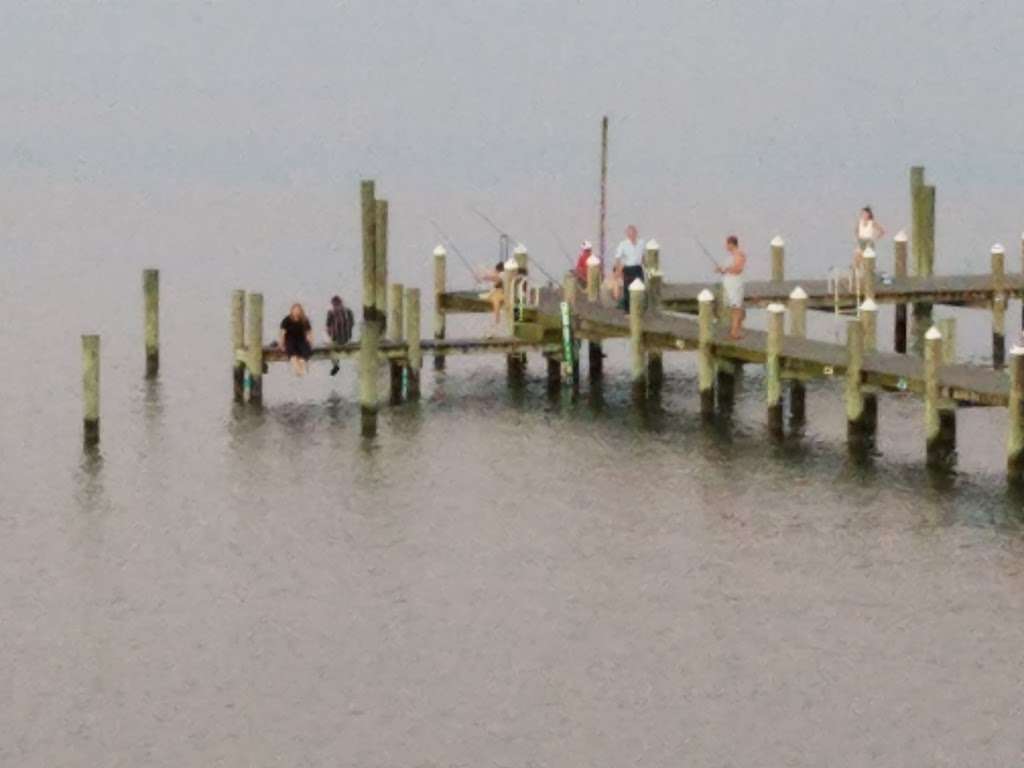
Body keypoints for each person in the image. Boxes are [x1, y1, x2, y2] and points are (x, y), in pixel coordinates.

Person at [716, 235, 746, 340]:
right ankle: (735, 331)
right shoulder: (730, 256)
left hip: (735, 285)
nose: (726, 246)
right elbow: (729, 268)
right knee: (733, 308)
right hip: (729, 285)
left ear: (732, 244)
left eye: (727, 244)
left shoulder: (739, 254)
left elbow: (738, 269)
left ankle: (735, 332)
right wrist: (721, 269)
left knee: (736, 308)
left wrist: (725, 270)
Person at [613, 224, 645, 311]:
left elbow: (642, 256)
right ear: (627, 234)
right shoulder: (623, 244)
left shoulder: (641, 243)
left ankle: (639, 308)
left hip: (638, 268)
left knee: (641, 287)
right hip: (628, 268)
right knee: (627, 289)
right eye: (630, 233)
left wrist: (646, 266)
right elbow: (618, 257)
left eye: (633, 233)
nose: (632, 235)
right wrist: (617, 270)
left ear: (636, 233)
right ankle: (627, 310)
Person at [279, 302, 313, 376]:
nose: (296, 312)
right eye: (295, 310)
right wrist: (281, 344)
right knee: (292, 353)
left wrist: (310, 342)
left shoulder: (304, 320)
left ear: (301, 311)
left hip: (301, 339)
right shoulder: (287, 320)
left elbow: (309, 332)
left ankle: (300, 369)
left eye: (298, 310)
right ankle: (300, 371)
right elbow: (282, 333)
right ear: (292, 310)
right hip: (290, 339)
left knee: (306, 351)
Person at [325, 295, 354, 376]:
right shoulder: (348, 311)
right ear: (341, 302)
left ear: (332, 304)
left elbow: (327, 325)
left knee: (332, 349)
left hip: (336, 339)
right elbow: (352, 323)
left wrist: (330, 335)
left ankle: (335, 364)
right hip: (347, 338)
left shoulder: (331, 312)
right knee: (336, 342)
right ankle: (336, 362)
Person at [476, 261, 506, 335]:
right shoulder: (502, 275)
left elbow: (494, 277)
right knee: (492, 297)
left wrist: (482, 277)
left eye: (496, 271)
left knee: (495, 300)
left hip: (501, 295)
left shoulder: (502, 275)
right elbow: (493, 277)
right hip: (500, 293)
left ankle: (496, 322)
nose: (494, 272)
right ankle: (496, 323)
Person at [855, 206, 885, 271]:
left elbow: (882, 231)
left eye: (865, 213)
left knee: (867, 261)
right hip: (861, 241)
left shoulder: (872, 222)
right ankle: (857, 275)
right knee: (857, 259)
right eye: (862, 213)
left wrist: (875, 238)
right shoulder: (859, 222)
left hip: (869, 242)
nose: (863, 215)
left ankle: (868, 274)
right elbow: (856, 231)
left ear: (868, 214)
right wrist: (858, 238)